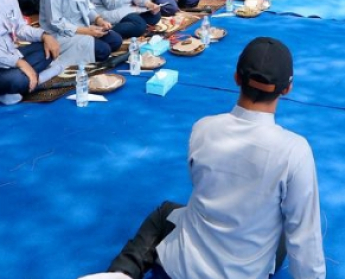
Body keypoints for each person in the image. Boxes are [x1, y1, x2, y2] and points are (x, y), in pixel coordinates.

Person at [95, 38, 326, 279]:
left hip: (183, 266)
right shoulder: (295, 151)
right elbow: (304, 238)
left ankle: (122, 273)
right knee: (283, 234)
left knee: (165, 213)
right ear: (287, 88)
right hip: (244, 271)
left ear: (236, 77)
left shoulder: (203, 128)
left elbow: (201, 184)